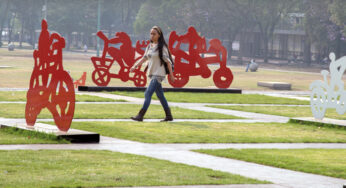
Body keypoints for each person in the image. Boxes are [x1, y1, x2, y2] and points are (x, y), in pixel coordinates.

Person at [130, 26, 175, 122]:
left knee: (148, 93)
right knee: (160, 95)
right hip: (152, 73)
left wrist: (171, 75)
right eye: (151, 33)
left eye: (154, 33)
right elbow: (144, 58)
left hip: (159, 74)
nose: (152, 35)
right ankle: (169, 115)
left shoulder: (161, 47)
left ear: (159, 35)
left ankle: (140, 115)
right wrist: (134, 66)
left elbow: (168, 62)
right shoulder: (150, 46)